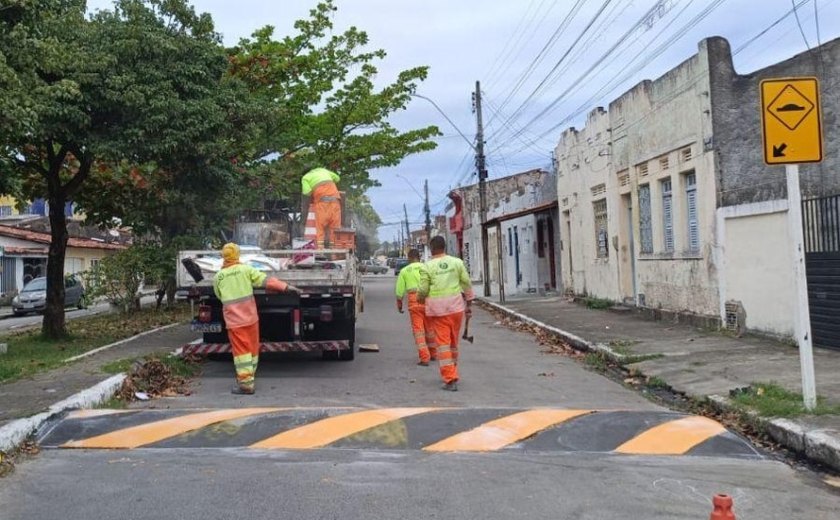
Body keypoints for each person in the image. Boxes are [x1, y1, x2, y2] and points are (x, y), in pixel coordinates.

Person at [213, 243, 299, 395]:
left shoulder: (218, 277)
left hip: (234, 322)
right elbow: (266, 281)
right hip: (251, 318)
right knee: (252, 351)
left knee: (241, 353)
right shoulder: (246, 270)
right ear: (237, 255)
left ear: (223, 256)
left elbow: (219, 296)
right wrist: (286, 287)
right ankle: (248, 378)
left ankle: (246, 384)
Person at [418, 236, 474, 391]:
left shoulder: (427, 267)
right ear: (444, 247)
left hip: (438, 310)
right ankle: (453, 369)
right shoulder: (457, 262)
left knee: (443, 345)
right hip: (456, 309)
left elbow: (422, 290)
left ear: (431, 248)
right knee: (453, 342)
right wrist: (469, 302)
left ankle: (450, 379)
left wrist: (420, 299)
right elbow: (466, 283)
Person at [395, 249, 437, 366]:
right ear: (419, 257)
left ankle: (424, 358)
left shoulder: (404, 271)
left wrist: (399, 305)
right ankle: (434, 354)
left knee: (418, 332)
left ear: (409, 258)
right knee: (430, 330)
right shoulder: (427, 267)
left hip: (414, 303)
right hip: (428, 301)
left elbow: (399, 292)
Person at [301, 166, 341, 249]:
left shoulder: (305, 177)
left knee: (320, 227)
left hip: (322, 203)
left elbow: (306, 192)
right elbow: (337, 178)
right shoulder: (323, 170)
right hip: (335, 202)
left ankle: (320, 250)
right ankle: (334, 251)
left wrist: (314, 188)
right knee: (335, 228)